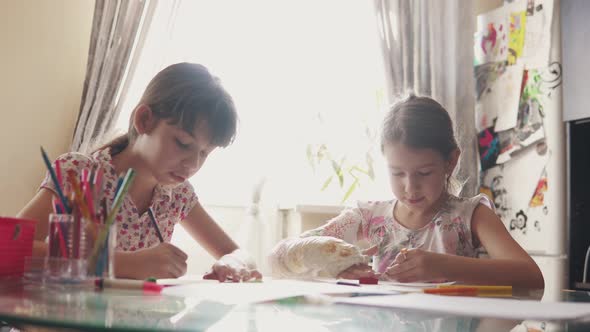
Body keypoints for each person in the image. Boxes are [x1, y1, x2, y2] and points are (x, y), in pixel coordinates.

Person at [18, 62, 262, 282]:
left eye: (204, 153)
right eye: (183, 144)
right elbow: (10, 246)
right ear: (144, 120)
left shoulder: (178, 195)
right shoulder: (79, 173)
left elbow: (240, 254)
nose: (192, 165)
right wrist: (121, 263)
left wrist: (233, 262)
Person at [270, 95, 544, 288]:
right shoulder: (368, 217)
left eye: (424, 173)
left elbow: (530, 275)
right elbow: (287, 254)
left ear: (451, 161)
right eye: (397, 173)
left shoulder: (471, 215)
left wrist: (443, 265)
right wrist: (337, 266)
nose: (410, 187)